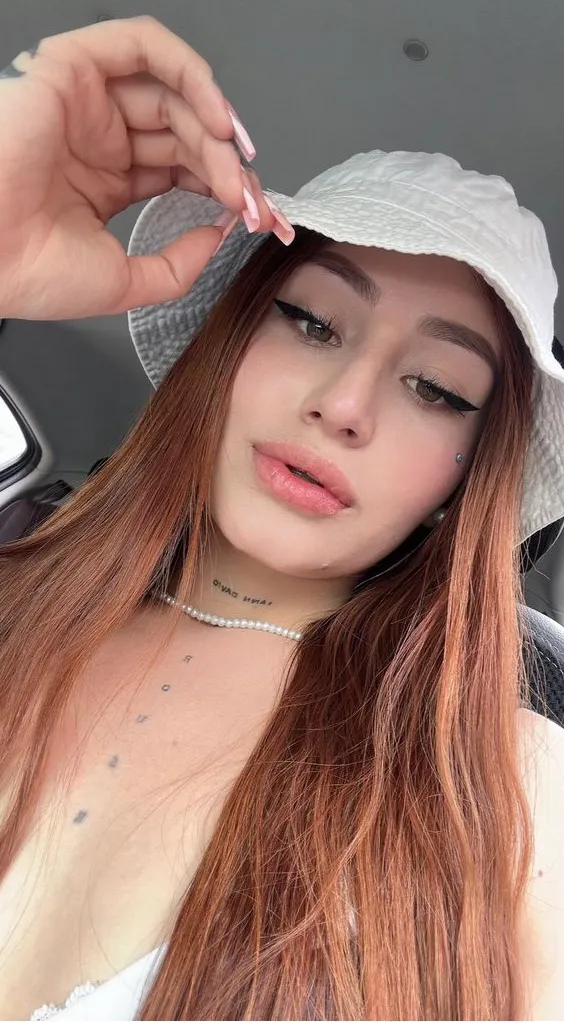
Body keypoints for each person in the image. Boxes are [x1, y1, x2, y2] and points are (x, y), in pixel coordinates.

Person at [0, 14, 562, 1022]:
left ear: (466, 478)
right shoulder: (14, 599)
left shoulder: (507, 788)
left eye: (436, 388)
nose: (343, 405)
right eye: (309, 321)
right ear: (230, 342)